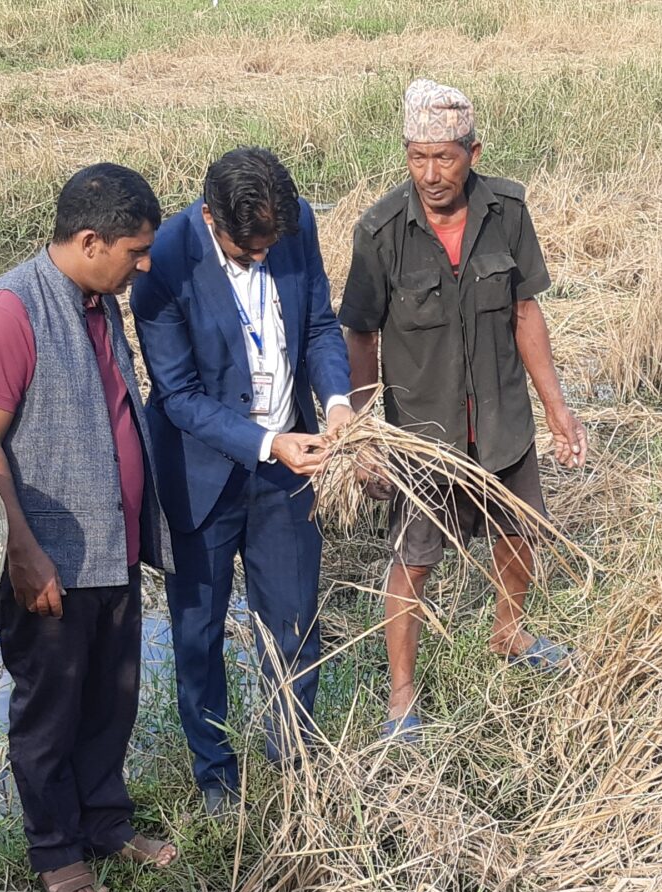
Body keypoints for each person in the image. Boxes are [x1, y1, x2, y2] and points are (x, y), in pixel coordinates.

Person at [0, 163, 179, 892]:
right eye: (134, 250)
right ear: (90, 240)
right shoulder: (5, 314)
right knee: (50, 708)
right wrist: (24, 553)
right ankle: (55, 850)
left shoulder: (95, 297)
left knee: (112, 697)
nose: (144, 265)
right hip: (48, 557)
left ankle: (106, 823)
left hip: (109, 545)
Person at [338, 78, 588, 744]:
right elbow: (359, 334)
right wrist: (366, 435)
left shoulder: (505, 212)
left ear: (472, 152)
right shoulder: (382, 231)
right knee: (413, 560)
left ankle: (509, 633)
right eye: (417, 157)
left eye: (444, 157)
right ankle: (401, 700)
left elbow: (524, 310)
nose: (430, 174)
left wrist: (556, 409)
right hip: (425, 432)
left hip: (501, 420)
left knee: (517, 534)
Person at [130, 147, 352, 816]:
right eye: (245, 250)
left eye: (270, 246)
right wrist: (265, 443)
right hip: (201, 472)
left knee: (292, 621)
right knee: (198, 635)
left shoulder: (296, 223)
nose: (261, 258)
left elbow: (317, 324)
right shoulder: (163, 258)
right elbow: (177, 393)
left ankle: (294, 763)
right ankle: (217, 777)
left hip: (290, 468)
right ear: (208, 217)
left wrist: (338, 402)